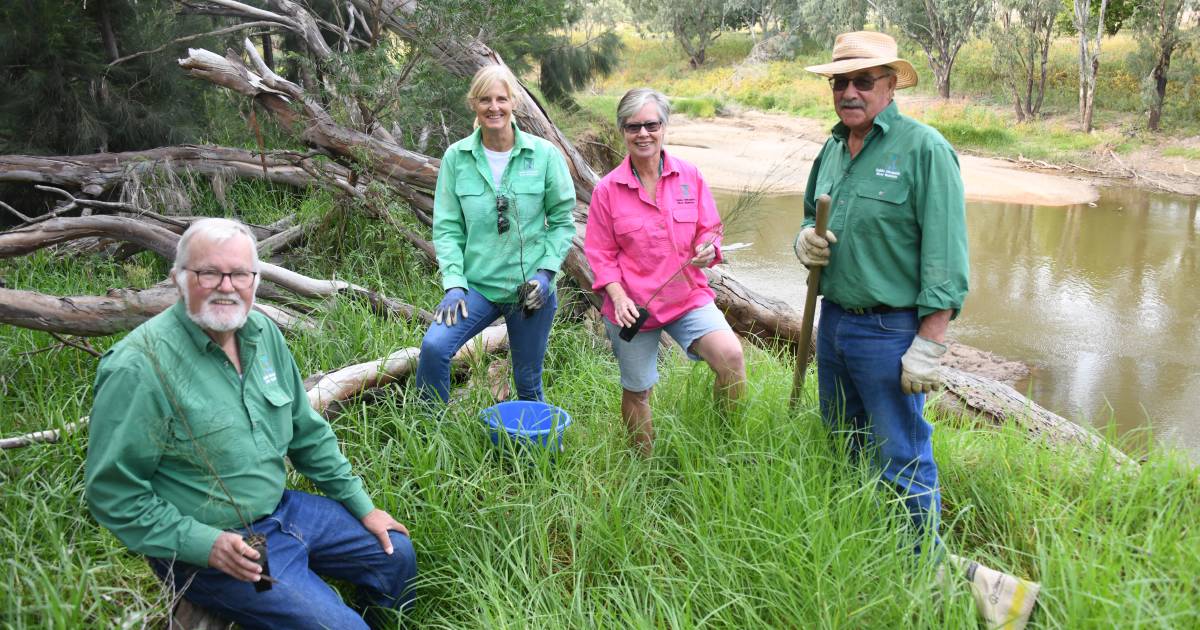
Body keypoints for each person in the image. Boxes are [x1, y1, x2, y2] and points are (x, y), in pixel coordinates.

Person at [798, 31, 1038, 628]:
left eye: (863, 81)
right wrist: (804, 242)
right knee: (843, 445)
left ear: (890, 85)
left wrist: (928, 345)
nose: (849, 92)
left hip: (889, 332)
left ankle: (926, 575)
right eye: (840, 81)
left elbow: (946, 260)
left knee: (904, 456)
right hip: (832, 327)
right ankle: (875, 548)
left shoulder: (924, 149)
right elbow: (810, 216)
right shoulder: (831, 148)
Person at [85, 218, 417, 629]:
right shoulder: (139, 366)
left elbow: (306, 432)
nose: (227, 285)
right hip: (229, 546)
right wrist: (206, 546)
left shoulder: (260, 331)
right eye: (209, 272)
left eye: (240, 273)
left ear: (255, 280)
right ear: (178, 279)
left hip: (286, 511)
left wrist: (363, 508)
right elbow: (112, 493)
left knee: (395, 553)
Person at [584, 87, 746, 456]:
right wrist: (619, 295)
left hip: (687, 298)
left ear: (664, 127)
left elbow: (711, 229)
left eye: (651, 124)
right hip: (633, 308)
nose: (643, 133)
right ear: (623, 131)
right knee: (638, 390)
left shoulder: (690, 176)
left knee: (731, 358)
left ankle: (725, 446)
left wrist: (709, 249)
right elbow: (600, 253)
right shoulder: (607, 191)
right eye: (633, 126)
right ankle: (644, 465)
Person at [415, 64, 576, 404]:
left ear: (513, 102)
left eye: (501, 99)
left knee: (528, 381)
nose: (494, 107)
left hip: (529, 290)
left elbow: (562, 221)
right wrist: (454, 283)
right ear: (473, 104)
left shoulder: (544, 155)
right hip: (478, 287)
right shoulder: (456, 158)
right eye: (485, 99)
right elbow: (447, 228)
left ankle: (535, 449)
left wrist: (546, 274)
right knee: (434, 348)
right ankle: (433, 432)